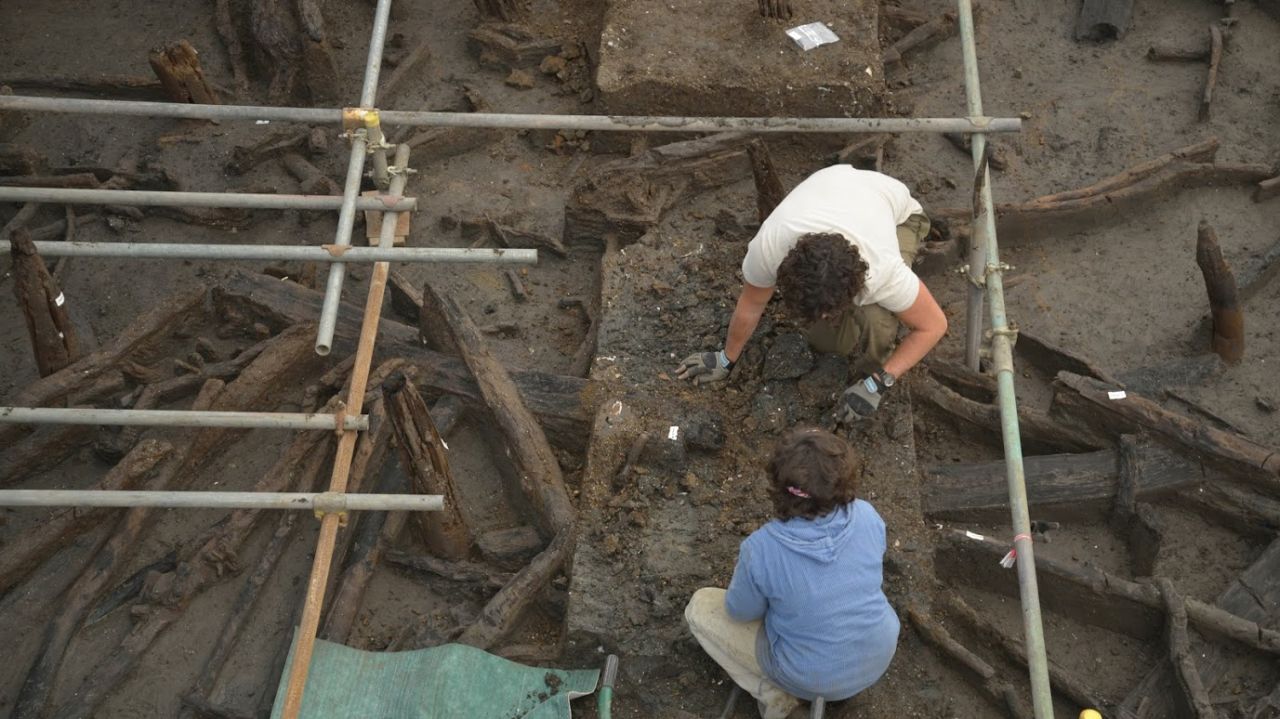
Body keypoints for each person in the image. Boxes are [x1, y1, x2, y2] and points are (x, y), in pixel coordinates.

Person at [677, 165, 947, 424]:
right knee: (830, 342)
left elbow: (933, 326)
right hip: (837, 185)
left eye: (830, 310)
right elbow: (751, 303)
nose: (826, 316)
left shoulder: (882, 271)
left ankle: (869, 372)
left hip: (900, 214)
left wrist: (878, 383)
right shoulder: (770, 248)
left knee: (876, 321)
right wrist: (726, 358)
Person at [684, 427, 899, 719]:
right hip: (878, 653)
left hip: (810, 675)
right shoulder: (867, 515)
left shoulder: (761, 549)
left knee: (700, 607)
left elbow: (739, 613)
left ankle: (780, 705)